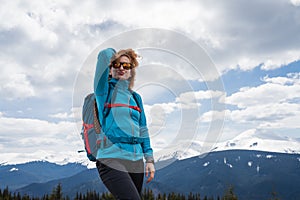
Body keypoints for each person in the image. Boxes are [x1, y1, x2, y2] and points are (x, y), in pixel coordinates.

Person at [93, 48, 155, 200]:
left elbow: (143, 130)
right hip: (111, 158)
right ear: (109, 69)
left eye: (126, 66)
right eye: (117, 64)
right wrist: (116, 54)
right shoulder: (104, 92)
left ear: (131, 71)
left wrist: (149, 159)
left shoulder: (136, 97)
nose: (121, 68)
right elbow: (103, 55)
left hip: (136, 162)